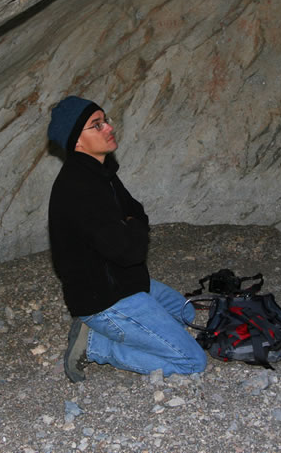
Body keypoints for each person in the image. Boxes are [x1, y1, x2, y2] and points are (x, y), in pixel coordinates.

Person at [47, 95, 207, 382]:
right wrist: (132, 228)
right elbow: (129, 251)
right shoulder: (78, 188)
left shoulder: (101, 173)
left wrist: (131, 225)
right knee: (192, 361)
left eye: (105, 120)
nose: (108, 127)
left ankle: (125, 332)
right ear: (77, 141)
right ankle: (98, 345)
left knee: (187, 314)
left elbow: (136, 212)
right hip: (106, 299)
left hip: (127, 282)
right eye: (96, 125)